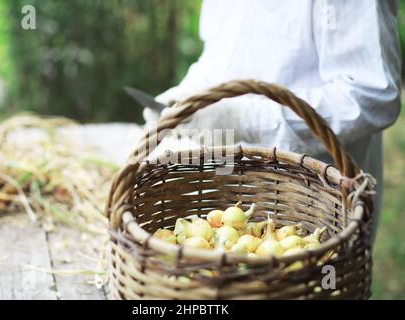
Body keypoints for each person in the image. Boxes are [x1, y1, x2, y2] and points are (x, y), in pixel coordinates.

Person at [143, 0, 402, 239]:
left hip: (312, 208)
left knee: (320, 279)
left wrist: (244, 119)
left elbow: (371, 96)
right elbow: (220, 53)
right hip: (226, 208)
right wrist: (186, 97)